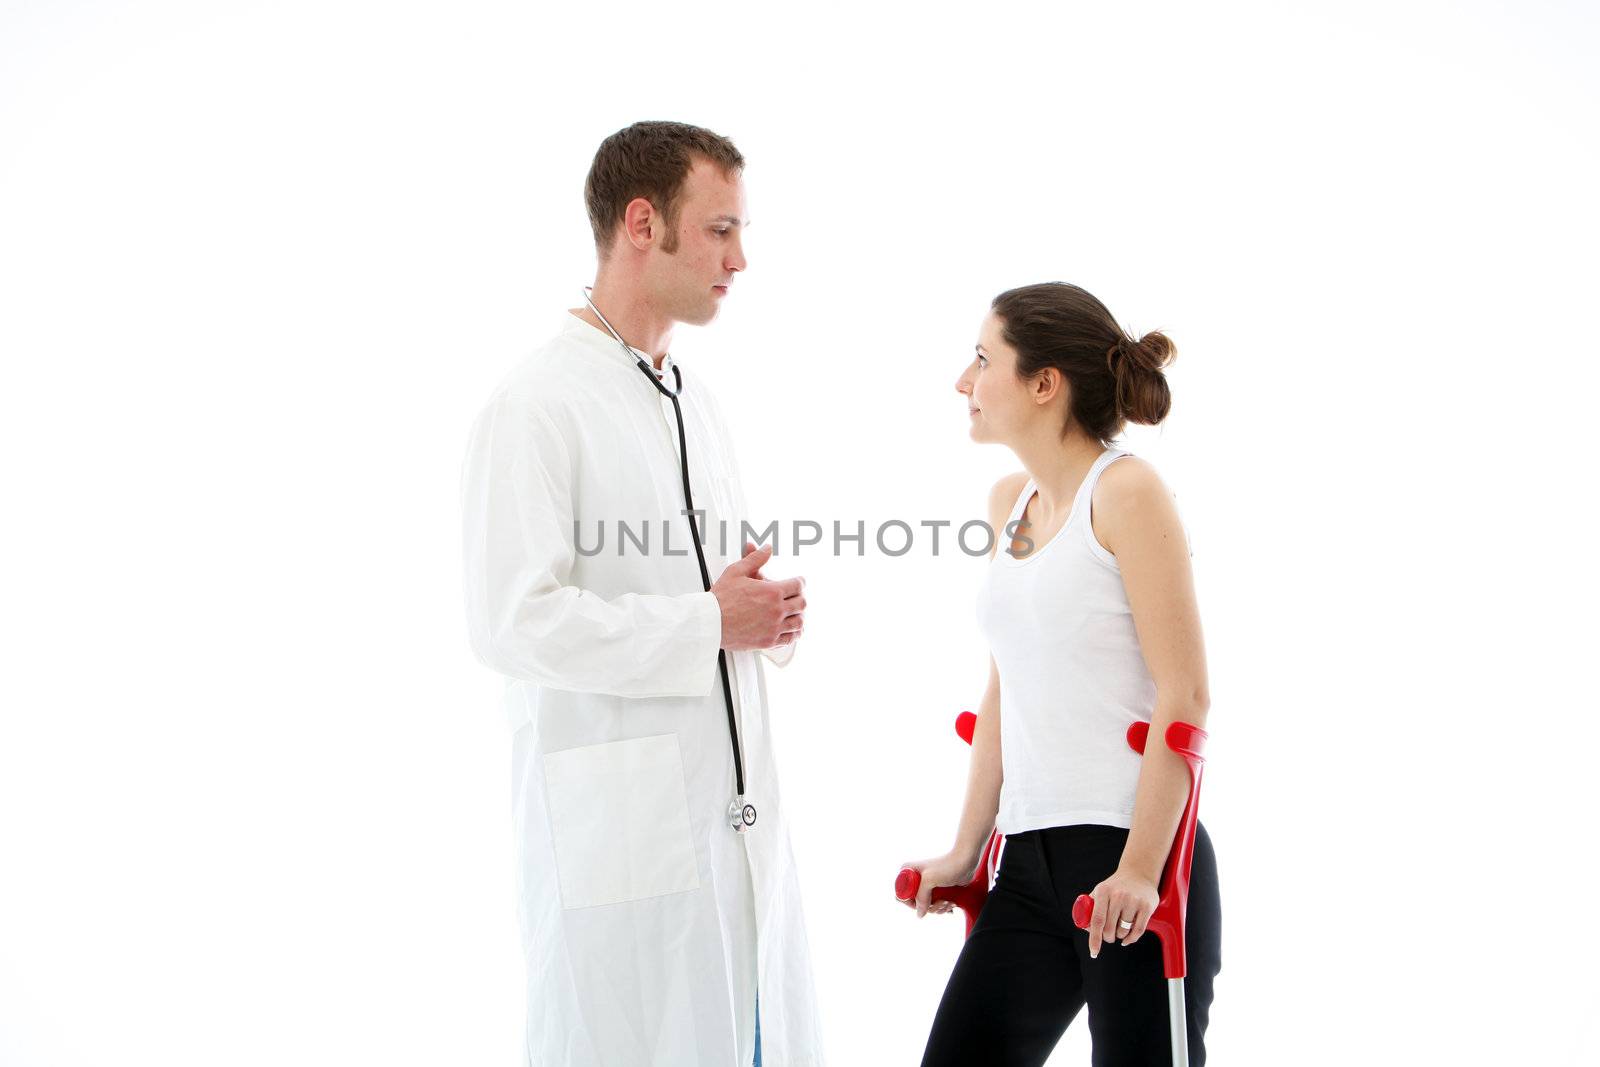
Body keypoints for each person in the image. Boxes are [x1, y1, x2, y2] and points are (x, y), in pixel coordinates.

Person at [459, 121, 823, 1067]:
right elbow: (511, 620)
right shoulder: (536, 405)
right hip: (623, 831)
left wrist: (762, 615)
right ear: (641, 223)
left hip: (733, 816)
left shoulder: (691, 398)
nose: (741, 258)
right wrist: (710, 620)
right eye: (719, 230)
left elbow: (711, 589)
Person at [901, 282, 1222, 1066]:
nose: (963, 380)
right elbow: (1004, 691)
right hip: (1027, 864)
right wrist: (966, 850)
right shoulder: (1009, 502)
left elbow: (1187, 694)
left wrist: (1143, 871)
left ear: (1045, 384)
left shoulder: (1128, 492)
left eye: (983, 359)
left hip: (1131, 854)